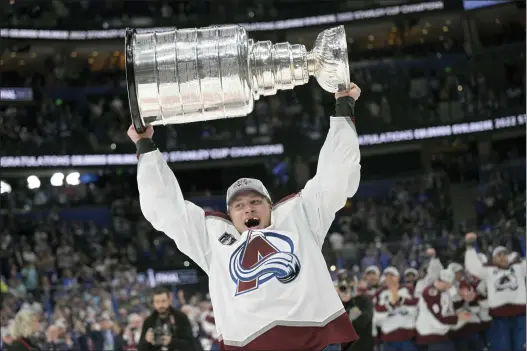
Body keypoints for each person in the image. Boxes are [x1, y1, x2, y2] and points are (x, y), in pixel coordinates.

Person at [128, 84, 363, 350]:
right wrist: (145, 146)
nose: (248, 208)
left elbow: (336, 174)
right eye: (239, 205)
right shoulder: (212, 240)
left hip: (316, 342)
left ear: (270, 206)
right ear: (229, 215)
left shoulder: (300, 215)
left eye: (255, 201)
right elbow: (166, 208)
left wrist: (344, 107)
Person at [464, 232, 526, 351]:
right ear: (493, 259)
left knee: (521, 347)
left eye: (505, 254)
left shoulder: (519, 268)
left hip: (521, 317)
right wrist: (470, 247)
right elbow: (473, 267)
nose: (503, 257)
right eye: (499, 255)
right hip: (499, 318)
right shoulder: (489, 271)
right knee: (502, 347)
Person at [415, 269, 471, 351]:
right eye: (448, 284)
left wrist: (463, 296)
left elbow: (452, 303)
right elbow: (440, 318)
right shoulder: (430, 292)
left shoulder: (445, 290)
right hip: (430, 334)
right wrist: (458, 317)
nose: (450, 287)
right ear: (440, 281)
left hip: (441, 333)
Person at [373, 267, 418, 351]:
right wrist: (390, 305)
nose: (389, 278)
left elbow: (415, 308)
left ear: (398, 277)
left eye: (392, 275)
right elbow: (377, 314)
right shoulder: (380, 292)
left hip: (407, 336)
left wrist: (401, 300)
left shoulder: (408, 289)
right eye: (387, 276)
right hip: (389, 337)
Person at [138, 287, 197, 351]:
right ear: (153, 304)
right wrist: (146, 341)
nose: (161, 305)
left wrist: (172, 341)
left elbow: (191, 345)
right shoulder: (148, 321)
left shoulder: (181, 317)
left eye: (163, 301)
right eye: (157, 302)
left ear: (169, 301)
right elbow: (140, 348)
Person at [335, 270, 374, 351]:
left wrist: (350, 302)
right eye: (342, 283)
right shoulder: (336, 303)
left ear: (355, 284)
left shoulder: (364, 300)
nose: (346, 286)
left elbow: (361, 323)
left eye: (349, 282)